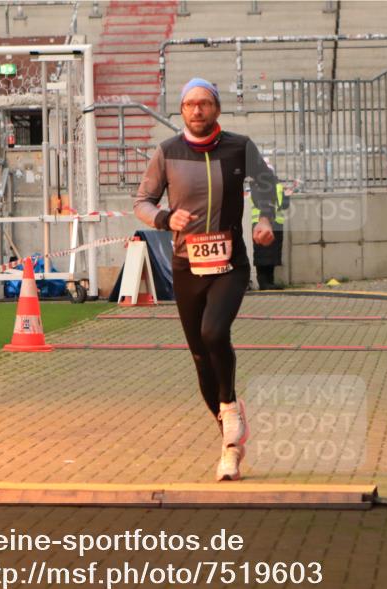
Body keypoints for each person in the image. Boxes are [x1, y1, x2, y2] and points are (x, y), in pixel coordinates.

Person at [134, 77, 278, 481]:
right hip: (187, 265)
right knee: (199, 354)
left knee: (215, 333)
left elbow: (269, 185)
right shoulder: (167, 153)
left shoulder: (239, 146)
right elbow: (142, 202)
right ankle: (229, 444)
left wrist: (265, 218)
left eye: (205, 103)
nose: (197, 110)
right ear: (181, 111)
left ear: (217, 108)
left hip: (230, 263)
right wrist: (165, 218)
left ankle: (230, 406)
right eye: (190, 104)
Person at [250, 174, 289, 290]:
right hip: (262, 223)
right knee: (263, 253)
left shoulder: (275, 186)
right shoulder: (259, 186)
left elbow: (284, 205)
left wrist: (287, 196)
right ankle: (264, 282)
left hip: (275, 222)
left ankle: (269, 282)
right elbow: (260, 202)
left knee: (272, 254)